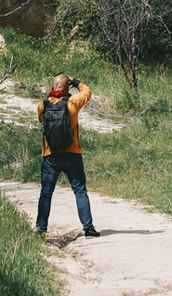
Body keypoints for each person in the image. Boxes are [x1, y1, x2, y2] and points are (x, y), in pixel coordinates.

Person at [35, 73, 100, 239]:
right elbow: (87, 91)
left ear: (51, 87)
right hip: (72, 154)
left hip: (50, 156)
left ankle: (41, 229)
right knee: (80, 191)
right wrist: (75, 81)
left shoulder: (41, 106)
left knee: (46, 193)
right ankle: (88, 228)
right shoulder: (72, 103)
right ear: (67, 88)